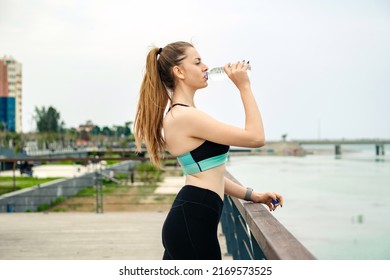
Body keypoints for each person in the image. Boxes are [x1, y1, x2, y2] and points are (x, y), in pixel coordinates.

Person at [134, 41, 283, 260]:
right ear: (179, 72)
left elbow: (212, 175)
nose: (206, 67)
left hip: (192, 218)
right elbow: (256, 138)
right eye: (197, 62)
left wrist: (254, 195)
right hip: (193, 221)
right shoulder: (184, 117)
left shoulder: (184, 114)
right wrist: (244, 87)